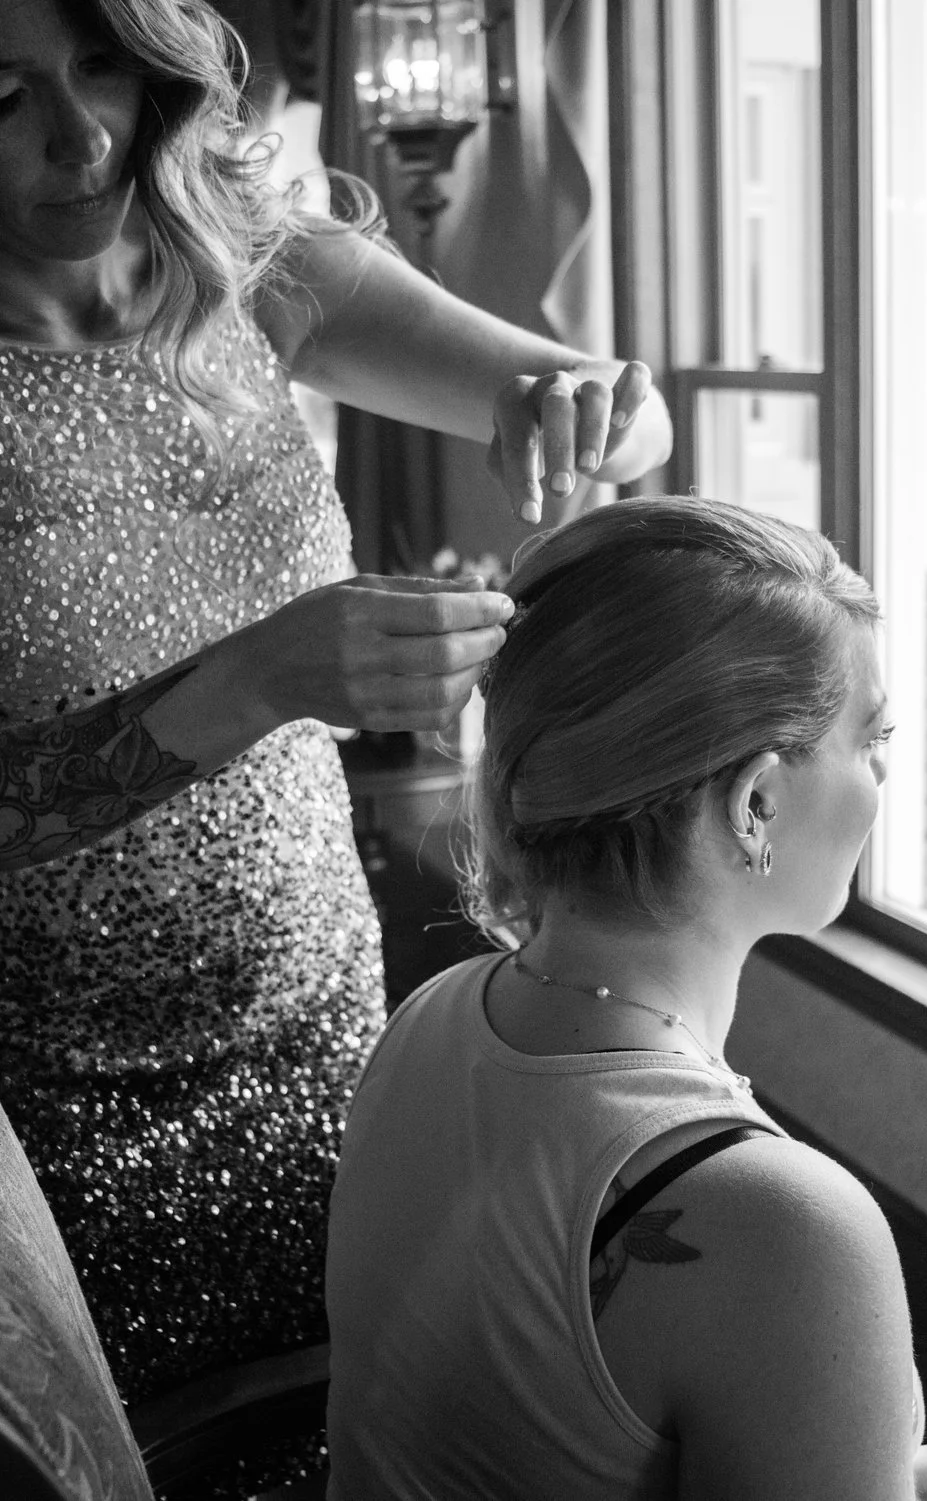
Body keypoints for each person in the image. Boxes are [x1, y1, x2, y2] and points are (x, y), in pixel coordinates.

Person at [0, 0, 672, 1436]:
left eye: (103, 65)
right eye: (1, 95)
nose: (81, 137)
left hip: (318, 1032)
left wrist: (585, 406)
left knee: (367, 1429)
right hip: (48, 1100)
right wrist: (257, 681)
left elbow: (632, 420)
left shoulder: (255, 267)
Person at [325, 496, 927, 1501]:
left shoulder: (435, 1015)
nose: (882, 778)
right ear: (756, 802)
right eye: (869, 738)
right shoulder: (783, 1228)